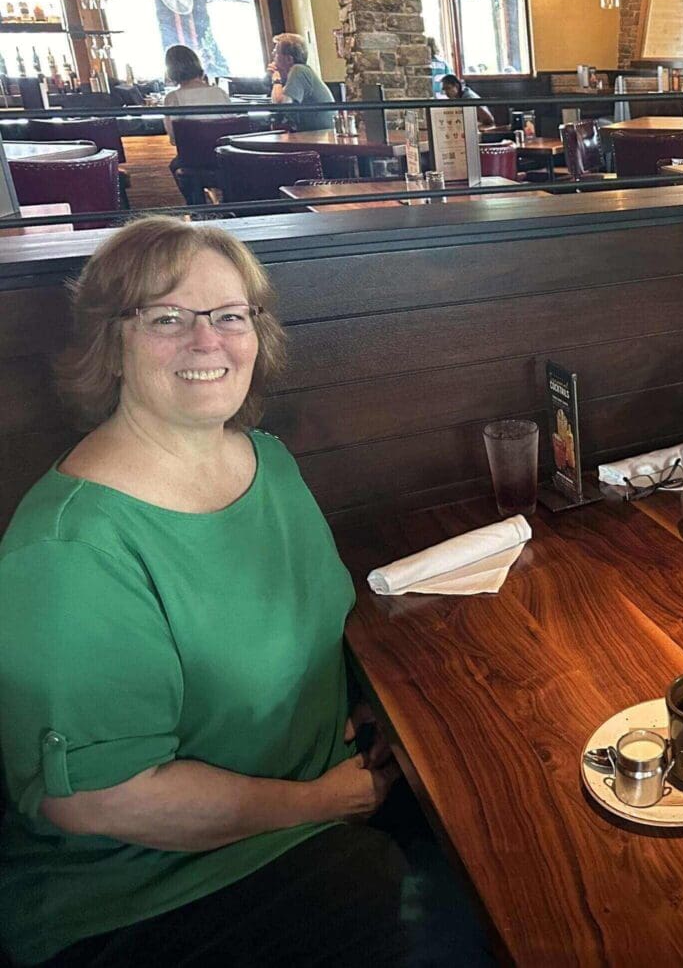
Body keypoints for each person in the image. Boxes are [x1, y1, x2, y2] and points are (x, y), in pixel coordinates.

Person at [0, 218, 408, 966]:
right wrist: (321, 802)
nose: (206, 341)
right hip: (143, 890)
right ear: (110, 344)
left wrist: (349, 712)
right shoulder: (69, 549)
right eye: (166, 319)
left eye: (229, 316)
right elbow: (97, 798)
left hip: (327, 792)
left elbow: (303, 634)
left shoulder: (266, 460)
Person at [160, 43, 230, 143]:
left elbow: (173, 138)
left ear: (171, 71)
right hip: (223, 155)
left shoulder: (172, 98)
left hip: (191, 156)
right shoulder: (220, 92)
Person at [268, 32, 333, 132]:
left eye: (276, 53)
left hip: (321, 136)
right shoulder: (298, 72)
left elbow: (281, 105)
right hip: (315, 134)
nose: (273, 56)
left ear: (289, 59)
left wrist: (276, 79)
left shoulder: (298, 70)